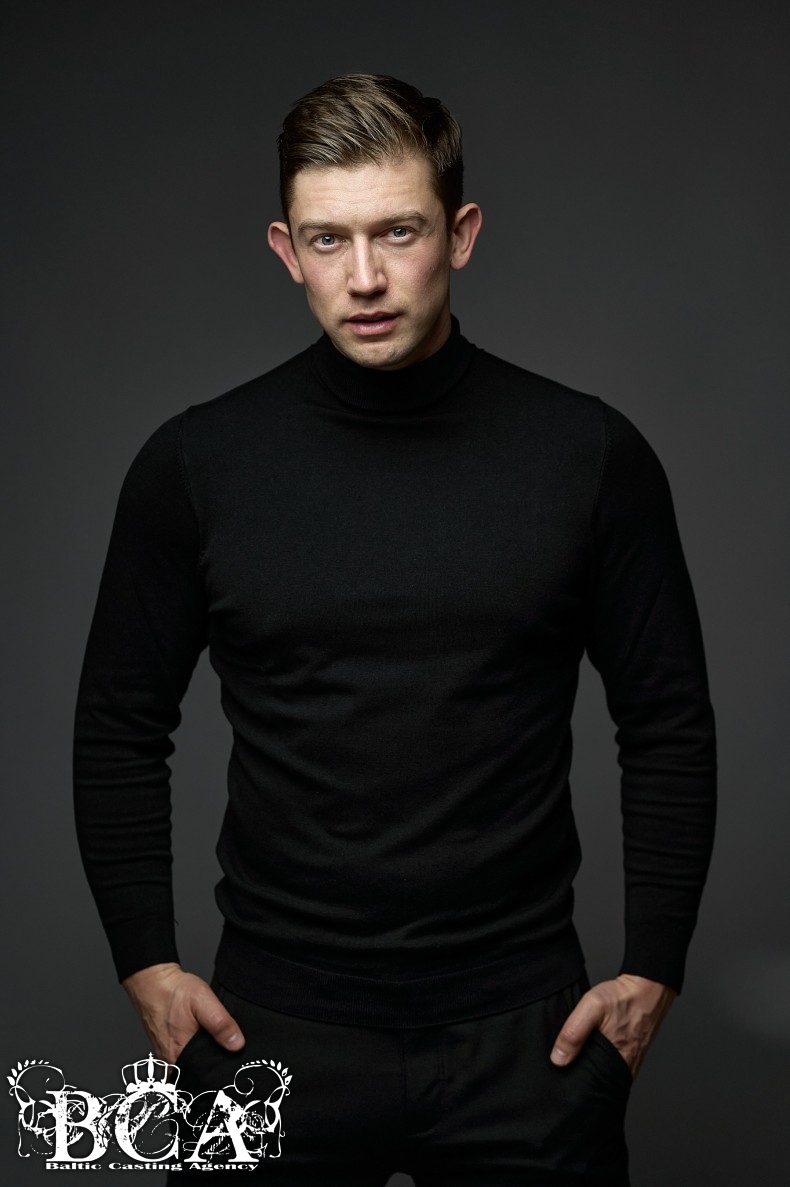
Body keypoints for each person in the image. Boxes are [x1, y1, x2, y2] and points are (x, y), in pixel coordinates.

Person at [73, 73, 717, 1184]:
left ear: (459, 234)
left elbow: (666, 721)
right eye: (329, 239)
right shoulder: (198, 463)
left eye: (398, 232)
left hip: (527, 1040)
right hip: (268, 1030)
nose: (363, 277)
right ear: (287, 250)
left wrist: (653, 969)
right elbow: (118, 724)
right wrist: (146, 960)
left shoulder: (587, 455)